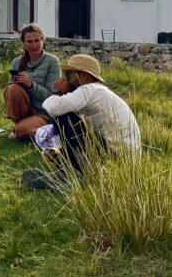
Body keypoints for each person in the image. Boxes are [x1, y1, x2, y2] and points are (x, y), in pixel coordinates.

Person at [22, 54, 141, 189]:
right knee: (71, 119)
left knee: (63, 115)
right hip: (122, 160)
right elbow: (84, 133)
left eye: (69, 76)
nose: (66, 80)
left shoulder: (89, 89)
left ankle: (70, 179)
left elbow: (52, 107)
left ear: (84, 76)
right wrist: (61, 151)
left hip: (115, 159)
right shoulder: (97, 91)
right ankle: (70, 173)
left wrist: (57, 91)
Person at [4, 23, 62, 140]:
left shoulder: (52, 61)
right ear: (24, 43)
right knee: (12, 89)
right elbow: (9, 94)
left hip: (44, 113)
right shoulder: (17, 62)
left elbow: (52, 97)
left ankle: (35, 130)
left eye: (37, 40)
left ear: (43, 40)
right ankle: (25, 128)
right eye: (29, 42)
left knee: (21, 131)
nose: (34, 45)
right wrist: (17, 83)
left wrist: (31, 85)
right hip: (25, 110)